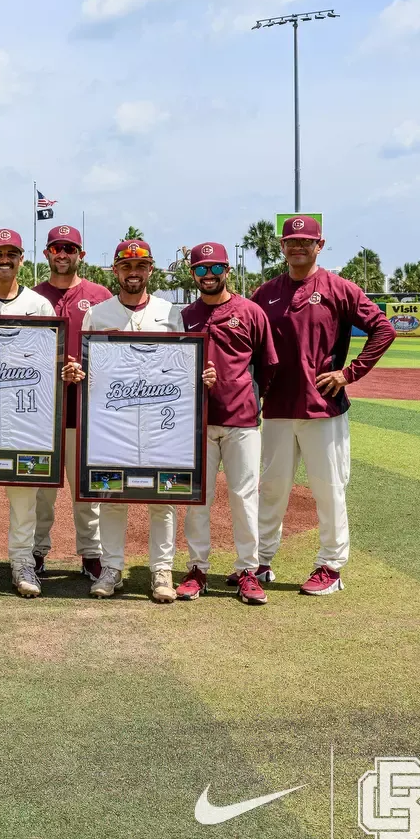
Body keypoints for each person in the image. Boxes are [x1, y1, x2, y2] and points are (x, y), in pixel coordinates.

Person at [252, 215, 396, 595]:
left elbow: (384, 328)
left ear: (320, 245)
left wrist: (350, 373)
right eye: (291, 241)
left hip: (323, 407)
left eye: (306, 241)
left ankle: (330, 566)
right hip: (278, 408)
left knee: (329, 489)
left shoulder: (339, 287)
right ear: (281, 247)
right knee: (271, 489)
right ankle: (260, 562)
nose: (298, 247)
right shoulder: (265, 293)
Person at [0, 228, 81, 599]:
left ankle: (23, 564)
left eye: (12, 254)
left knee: (24, 500)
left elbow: (46, 362)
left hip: (25, 419)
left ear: (22, 259)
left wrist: (62, 371)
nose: (5, 260)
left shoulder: (38, 306)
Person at [82, 238, 217, 603]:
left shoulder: (171, 312)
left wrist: (198, 376)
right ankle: (112, 568)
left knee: (163, 498)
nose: (133, 273)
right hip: (115, 420)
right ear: (116, 270)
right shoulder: (98, 313)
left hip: (161, 421)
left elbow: (182, 365)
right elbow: (90, 370)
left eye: (140, 266)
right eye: (126, 266)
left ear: (150, 269)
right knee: (112, 497)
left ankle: (160, 570)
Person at [177, 243, 278, 605]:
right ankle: (197, 568)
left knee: (243, 497)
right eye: (201, 270)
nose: (208, 276)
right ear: (193, 274)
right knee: (197, 499)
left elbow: (267, 366)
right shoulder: (185, 315)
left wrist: (247, 395)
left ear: (227, 270)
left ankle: (248, 570)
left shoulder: (250, 312)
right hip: (198, 423)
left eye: (214, 268)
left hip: (242, 421)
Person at [31, 225, 112, 579]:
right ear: (47, 253)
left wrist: (88, 371)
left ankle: (91, 553)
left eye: (70, 248)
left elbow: (115, 352)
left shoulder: (100, 295)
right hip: (41, 413)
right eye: (56, 248)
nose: (62, 254)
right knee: (40, 492)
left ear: (81, 254)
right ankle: (35, 551)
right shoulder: (32, 297)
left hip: (86, 411)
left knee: (86, 491)